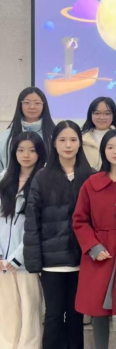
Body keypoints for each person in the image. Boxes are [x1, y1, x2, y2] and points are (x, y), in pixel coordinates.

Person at [24, 120, 93, 349]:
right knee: (53, 315)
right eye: (62, 140)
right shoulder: (42, 177)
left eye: (73, 140)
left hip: (82, 261)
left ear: (80, 143)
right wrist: (35, 262)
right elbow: (32, 222)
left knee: (76, 315)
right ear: (54, 144)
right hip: (51, 263)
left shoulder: (90, 176)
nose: (68, 145)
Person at [73, 129, 116, 349]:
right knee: (98, 309)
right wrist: (93, 246)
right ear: (103, 151)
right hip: (100, 253)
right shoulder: (91, 183)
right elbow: (79, 220)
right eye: (110, 147)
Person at [0, 131, 46, 348]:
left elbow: (39, 224)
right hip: (2, 261)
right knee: (7, 309)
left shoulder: (43, 180)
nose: (26, 155)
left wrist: (19, 256)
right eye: (21, 150)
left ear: (40, 153)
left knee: (30, 310)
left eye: (32, 150)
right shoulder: (3, 178)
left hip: (28, 260)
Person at [0, 87, 55, 172]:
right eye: (27, 102)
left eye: (37, 103)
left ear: (44, 106)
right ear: (20, 105)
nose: (32, 107)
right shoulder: (6, 137)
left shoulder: (54, 135)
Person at [81, 97, 116, 170]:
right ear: (90, 115)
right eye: (97, 113)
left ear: (114, 115)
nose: (102, 117)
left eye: (107, 113)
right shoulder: (80, 139)